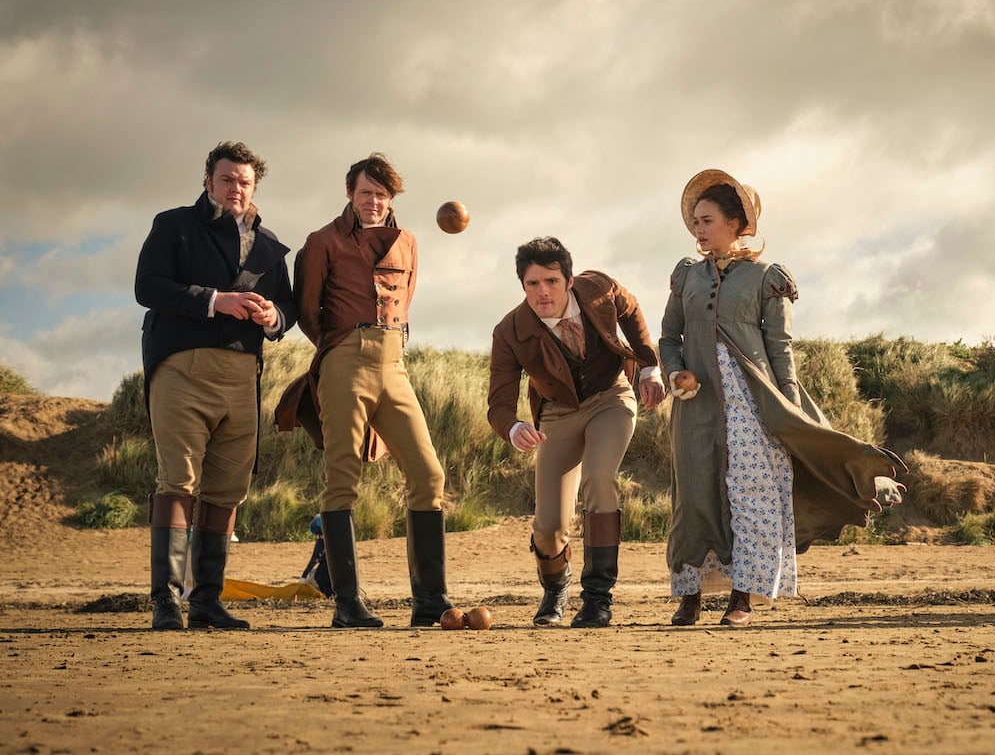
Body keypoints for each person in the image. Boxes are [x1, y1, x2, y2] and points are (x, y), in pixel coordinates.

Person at [660, 169, 905, 627]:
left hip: (755, 405)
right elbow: (668, 336)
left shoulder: (766, 278)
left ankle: (742, 599)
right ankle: (690, 595)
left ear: (736, 224)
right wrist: (676, 372)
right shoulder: (686, 277)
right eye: (695, 221)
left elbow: (780, 348)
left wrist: (789, 405)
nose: (698, 229)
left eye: (707, 220)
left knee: (752, 494)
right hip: (695, 406)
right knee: (694, 496)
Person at [288, 153, 454, 628]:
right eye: (366, 193)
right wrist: (339, 349)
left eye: (382, 195)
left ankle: (429, 601)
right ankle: (347, 604)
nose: (374, 202)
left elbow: (407, 300)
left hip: (395, 362)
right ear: (350, 194)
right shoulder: (323, 241)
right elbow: (306, 310)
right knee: (342, 479)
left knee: (429, 475)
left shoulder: (409, 242)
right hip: (344, 358)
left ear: (391, 198)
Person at [135, 141, 296, 630]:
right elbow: (148, 286)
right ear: (208, 182)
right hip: (181, 368)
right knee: (178, 481)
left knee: (227, 488)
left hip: (243, 374)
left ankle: (206, 600)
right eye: (227, 180)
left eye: (244, 182)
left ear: (254, 187)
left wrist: (273, 317)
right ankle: (166, 601)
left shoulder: (270, 247)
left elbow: (288, 310)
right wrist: (214, 301)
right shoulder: (174, 225)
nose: (235, 189)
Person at [488, 237, 665, 627]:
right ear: (522, 286)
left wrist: (650, 365)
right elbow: (498, 403)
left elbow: (631, 310)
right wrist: (514, 427)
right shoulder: (509, 331)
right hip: (557, 416)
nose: (542, 292)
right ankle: (554, 590)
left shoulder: (598, 288)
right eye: (532, 284)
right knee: (549, 527)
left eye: (551, 281)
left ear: (569, 280)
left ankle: (598, 598)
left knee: (600, 479)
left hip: (611, 397)